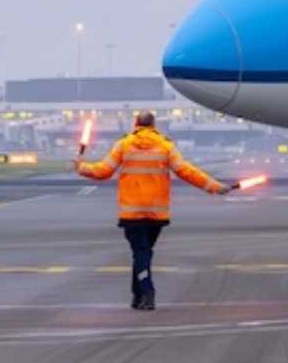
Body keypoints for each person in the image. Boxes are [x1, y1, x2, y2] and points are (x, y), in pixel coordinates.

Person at [75, 111, 229, 309]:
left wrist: (82, 167)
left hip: (131, 212)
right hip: (157, 212)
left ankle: (147, 292)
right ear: (155, 125)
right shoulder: (166, 147)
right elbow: (187, 172)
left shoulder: (123, 145)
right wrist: (214, 187)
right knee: (143, 252)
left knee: (141, 252)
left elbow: (103, 171)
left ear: (135, 124)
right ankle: (137, 296)